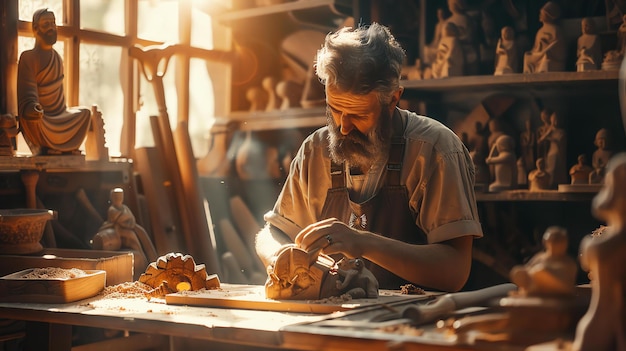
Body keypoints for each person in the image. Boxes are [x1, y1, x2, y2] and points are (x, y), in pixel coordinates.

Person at [255, 23, 483, 293]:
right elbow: (272, 233)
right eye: (335, 109)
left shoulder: (435, 149)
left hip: (412, 321)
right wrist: (282, 256)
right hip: (332, 318)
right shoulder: (315, 150)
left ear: (394, 99)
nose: (343, 127)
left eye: (359, 115)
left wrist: (362, 243)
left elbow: (454, 271)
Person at [17, 8, 91, 156]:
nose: (51, 27)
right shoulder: (28, 58)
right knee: (33, 119)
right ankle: (51, 146)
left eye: (53, 23)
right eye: (46, 24)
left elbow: (60, 101)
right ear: (35, 28)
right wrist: (34, 108)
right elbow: (28, 93)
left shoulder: (57, 58)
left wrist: (63, 114)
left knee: (85, 114)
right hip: (41, 117)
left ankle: (61, 146)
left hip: (58, 116)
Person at [523, 1, 566, 73]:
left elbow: (558, 46)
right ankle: (527, 76)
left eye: (542, 14)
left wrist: (547, 46)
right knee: (527, 57)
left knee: (546, 60)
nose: (540, 15)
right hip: (539, 54)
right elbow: (535, 47)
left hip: (550, 56)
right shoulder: (540, 31)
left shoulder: (555, 30)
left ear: (549, 15)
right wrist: (532, 51)